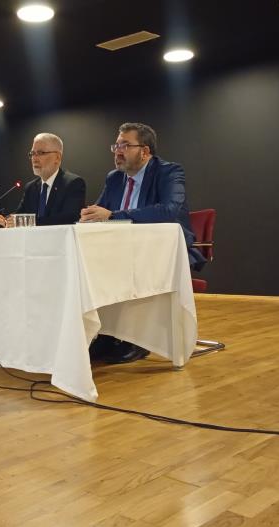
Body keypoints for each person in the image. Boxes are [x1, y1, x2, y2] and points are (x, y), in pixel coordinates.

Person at [81, 122, 205, 364]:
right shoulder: (114, 178)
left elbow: (168, 210)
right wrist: (90, 215)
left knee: (130, 267)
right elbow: (101, 210)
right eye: (116, 146)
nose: (117, 151)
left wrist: (113, 215)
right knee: (92, 267)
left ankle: (137, 340)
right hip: (122, 248)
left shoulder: (169, 172)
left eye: (124, 146)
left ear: (145, 151)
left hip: (164, 250)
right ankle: (107, 334)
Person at [0, 133, 86, 227]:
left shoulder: (73, 183)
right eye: (32, 153)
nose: (34, 159)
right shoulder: (31, 187)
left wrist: (28, 222)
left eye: (41, 153)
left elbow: (68, 218)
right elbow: (19, 215)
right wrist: (5, 220)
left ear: (57, 157)